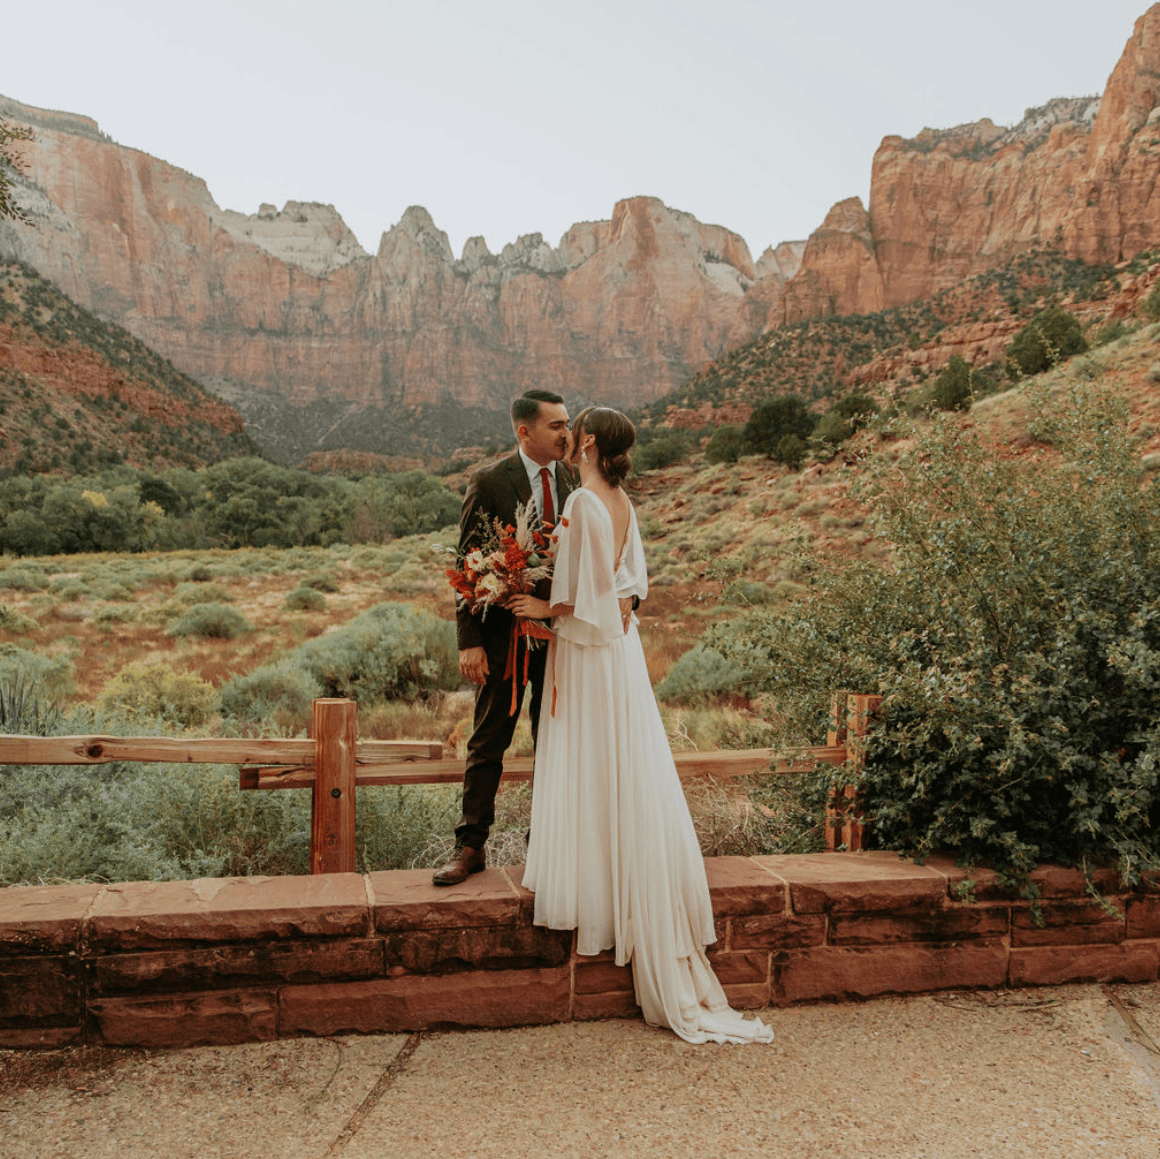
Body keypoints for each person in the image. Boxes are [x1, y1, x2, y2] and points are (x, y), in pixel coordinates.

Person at [509, 406, 773, 1045]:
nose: (568, 435)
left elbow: (589, 606)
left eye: (577, 429)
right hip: (620, 659)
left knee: (595, 767)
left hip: (592, 659)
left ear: (590, 442)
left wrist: (538, 607)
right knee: (621, 769)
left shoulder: (581, 502)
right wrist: (581, 604)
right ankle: (620, 879)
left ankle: (597, 889)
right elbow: (630, 590)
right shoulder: (622, 501)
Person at [431, 390, 575, 886]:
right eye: (555, 425)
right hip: (502, 640)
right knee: (488, 740)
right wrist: (469, 641)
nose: (566, 433)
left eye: (568, 423)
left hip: (562, 637)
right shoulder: (491, 481)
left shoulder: (578, 479)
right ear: (524, 432)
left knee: (555, 743)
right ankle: (470, 846)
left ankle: (548, 846)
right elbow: (465, 565)